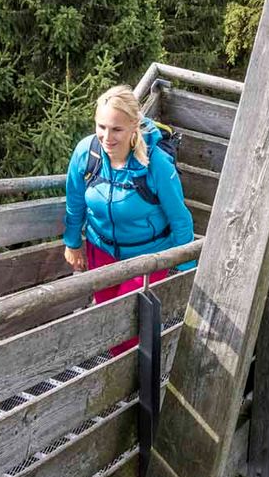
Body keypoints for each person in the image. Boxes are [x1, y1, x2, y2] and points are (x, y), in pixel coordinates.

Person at [62, 85, 197, 333]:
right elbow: (75, 201)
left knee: (127, 325)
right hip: (100, 250)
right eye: (101, 127)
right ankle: (118, 369)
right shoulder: (86, 152)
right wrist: (72, 242)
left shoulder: (156, 164)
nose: (107, 137)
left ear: (134, 126)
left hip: (147, 257)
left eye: (116, 129)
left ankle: (136, 371)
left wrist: (187, 270)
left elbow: (180, 219)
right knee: (108, 322)